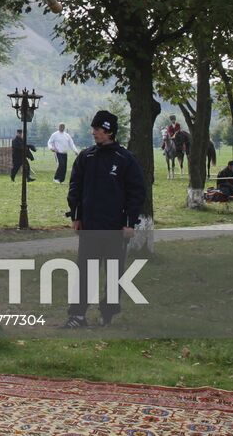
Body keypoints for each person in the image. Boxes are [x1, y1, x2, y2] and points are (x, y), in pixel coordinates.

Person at [62, 110, 145, 328]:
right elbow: (75, 188)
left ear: (109, 132)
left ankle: (107, 314)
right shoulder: (86, 157)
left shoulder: (125, 159)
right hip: (90, 226)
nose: (94, 133)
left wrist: (129, 222)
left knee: (113, 273)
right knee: (85, 272)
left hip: (115, 228)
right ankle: (77, 315)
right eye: (93, 129)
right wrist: (77, 217)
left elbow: (136, 192)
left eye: (98, 129)